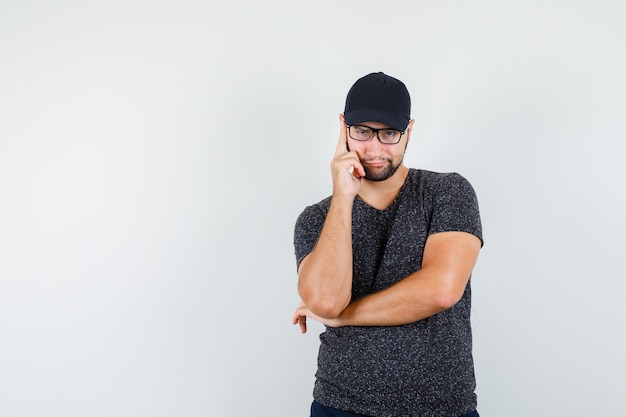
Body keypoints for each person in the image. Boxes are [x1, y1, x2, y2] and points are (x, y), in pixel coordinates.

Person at [292, 72, 484, 417]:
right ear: (343, 127)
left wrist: (343, 318)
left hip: (441, 408)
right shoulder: (316, 218)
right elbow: (323, 300)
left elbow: (441, 290)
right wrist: (342, 197)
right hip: (341, 406)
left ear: (409, 130)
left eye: (389, 134)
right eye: (362, 131)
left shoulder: (447, 192)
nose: (375, 149)